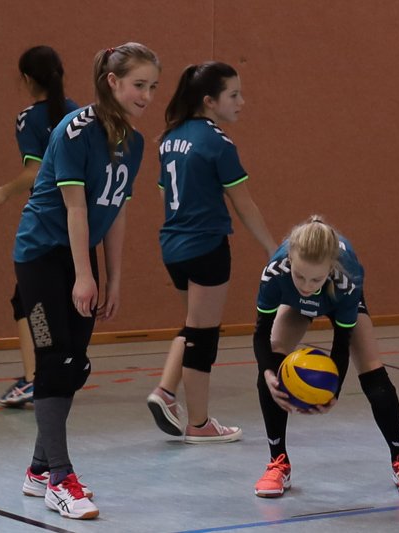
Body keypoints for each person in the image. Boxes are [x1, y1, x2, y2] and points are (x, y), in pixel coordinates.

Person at [13, 42, 160, 520]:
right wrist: (82, 275)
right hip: (42, 254)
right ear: (112, 82)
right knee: (54, 360)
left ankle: (39, 469)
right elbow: (75, 207)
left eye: (152, 87)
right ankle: (60, 478)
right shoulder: (76, 129)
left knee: (73, 364)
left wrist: (112, 278)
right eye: (138, 85)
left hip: (80, 255)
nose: (146, 95)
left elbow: (115, 212)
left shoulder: (134, 143)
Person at [146, 62, 277, 444]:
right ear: (209, 101)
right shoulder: (217, 142)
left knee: (193, 325)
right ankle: (199, 423)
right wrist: (273, 248)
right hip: (206, 246)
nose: (241, 102)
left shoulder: (170, 138)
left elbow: (165, 193)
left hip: (173, 247)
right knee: (203, 337)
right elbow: (244, 203)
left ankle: (165, 391)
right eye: (233, 95)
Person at [252, 215, 399, 498]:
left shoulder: (348, 279)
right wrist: (269, 373)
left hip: (336, 300)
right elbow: (261, 333)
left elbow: (341, 342)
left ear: (331, 268)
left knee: (373, 370)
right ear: (290, 261)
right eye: (299, 275)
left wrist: (333, 392)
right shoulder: (275, 272)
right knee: (270, 365)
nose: (307, 285)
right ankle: (278, 462)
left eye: (316, 278)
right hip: (294, 306)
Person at [0, 45, 79, 408]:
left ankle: (35, 377)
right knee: (64, 296)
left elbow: (34, 171)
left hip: (46, 222)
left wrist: (4, 191)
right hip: (79, 219)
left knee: (26, 300)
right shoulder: (78, 113)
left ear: (25, 79)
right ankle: (60, 369)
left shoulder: (29, 119)